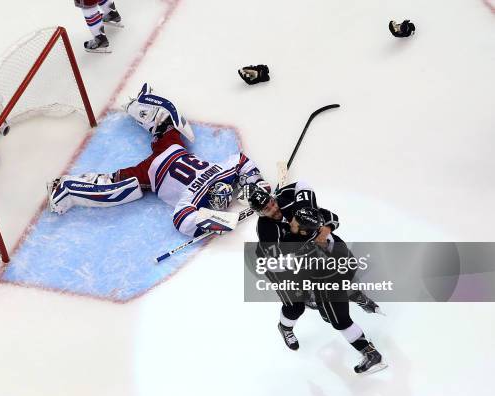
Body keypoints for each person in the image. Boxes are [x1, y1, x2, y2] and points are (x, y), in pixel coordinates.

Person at [47, 84, 270, 237]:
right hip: (152, 173)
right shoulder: (195, 195)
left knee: (166, 127)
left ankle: (143, 105)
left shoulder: (221, 173)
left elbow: (239, 160)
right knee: (115, 185)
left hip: (173, 150)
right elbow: (181, 221)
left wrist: (257, 184)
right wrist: (254, 188)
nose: (219, 206)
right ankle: (66, 188)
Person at [248, 182, 387, 374]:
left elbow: (328, 217)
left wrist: (325, 230)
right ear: (260, 213)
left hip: (315, 264)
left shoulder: (301, 220)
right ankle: (285, 327)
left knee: (335, 303)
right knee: (295, 305)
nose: (274, 209)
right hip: (278, 266)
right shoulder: (269, 230)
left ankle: (347, 302)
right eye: (267, 208)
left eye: (272, 202)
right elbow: (283, 262)